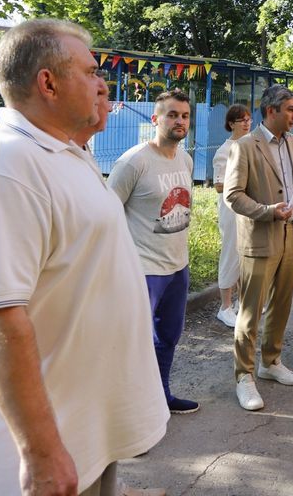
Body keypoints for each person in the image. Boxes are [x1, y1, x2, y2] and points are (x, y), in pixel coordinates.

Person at [0, 19, 168, 496]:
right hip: (41, 457)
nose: (103, 85)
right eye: (91, 72)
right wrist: (41, 453)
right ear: (48, 83)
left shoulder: (61, 151)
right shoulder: (6, 165)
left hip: (82, 431)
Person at [108, 89, 200, 415]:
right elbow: (107, 212)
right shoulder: (134, 162)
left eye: (185, 116)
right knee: (133, 343)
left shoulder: (185, 159)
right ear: (155, 119)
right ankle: (127, 412)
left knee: (168, 336)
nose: (179, 121)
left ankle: (161, 397)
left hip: (177, 265)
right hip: (143, 268)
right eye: (172, 115)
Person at [224, 84, 293, 412]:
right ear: (271, 111)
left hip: (291, 233)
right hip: (260, 235)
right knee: (250, 311)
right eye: (290, 109)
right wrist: (267, 211)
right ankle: (244, 376)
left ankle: (270, 361)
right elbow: (233, 195)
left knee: (281, 303)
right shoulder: (245, 146)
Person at [212, 103, 252, 328]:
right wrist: (242, 183)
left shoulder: (251, 145)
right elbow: (219, 185)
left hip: (249, 209)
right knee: (230, 254)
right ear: (231, 124)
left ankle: (240, 301)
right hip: (231, 210)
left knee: (246, 255)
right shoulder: (224, 150)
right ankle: (225, 307)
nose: (246, 123)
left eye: (248, 119)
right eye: (241, 120)